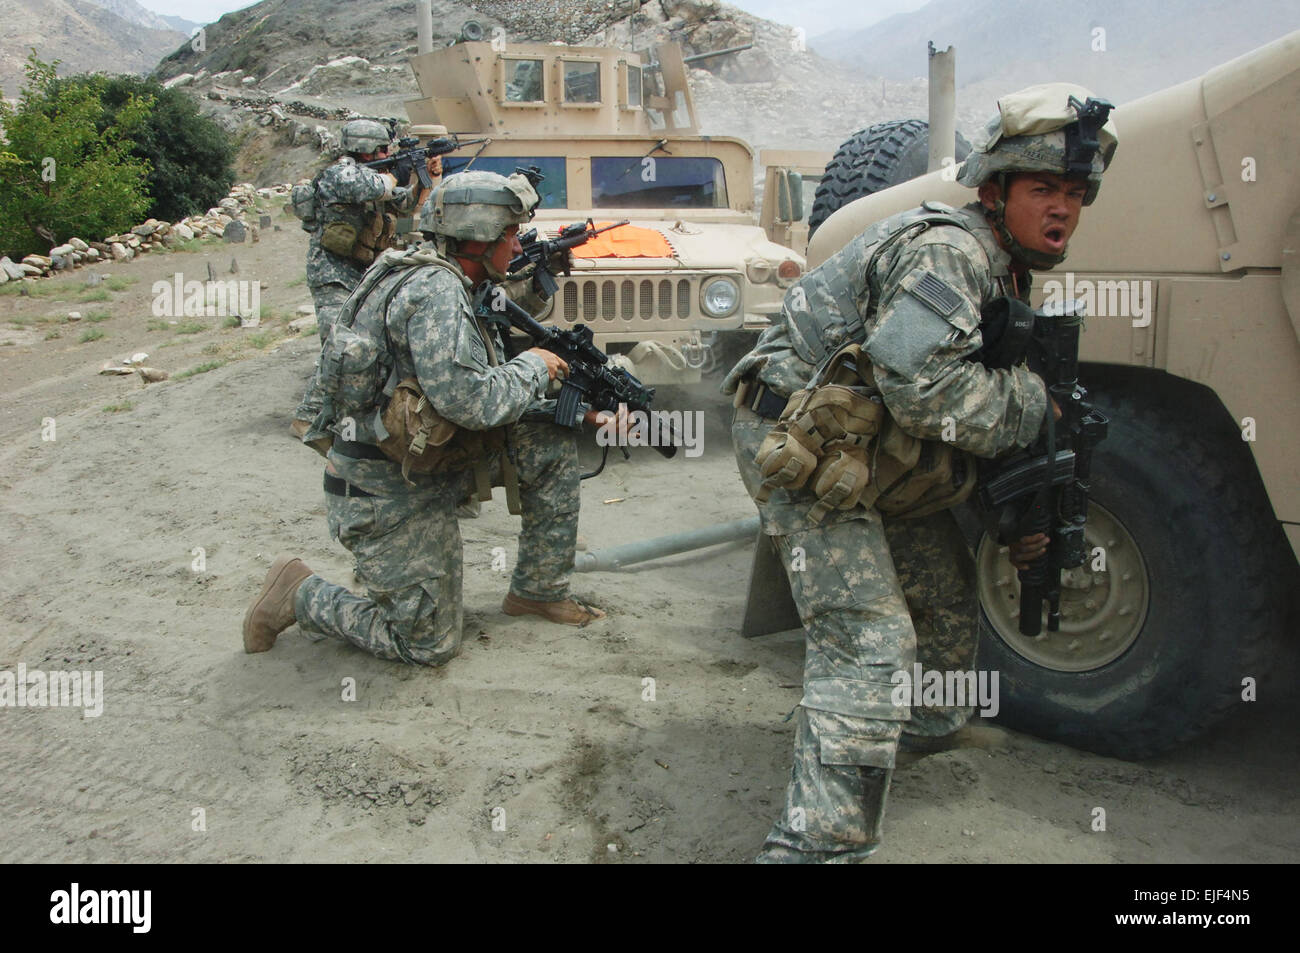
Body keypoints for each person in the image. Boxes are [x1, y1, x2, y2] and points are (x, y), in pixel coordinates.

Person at [722, 84, 1117, 862]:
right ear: (995, 191)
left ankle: (920, 726)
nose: (1063, 209)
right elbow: (925, 388)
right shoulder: (952, 251)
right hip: (796, 439)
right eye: (1044, 189)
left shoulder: (1003, 265)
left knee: (940, 588)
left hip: (868, 438)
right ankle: (816, 840)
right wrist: (1032, 404)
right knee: (868, 635)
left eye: (1073, 193)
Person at [245, 170, 609, 667]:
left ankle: (538, 590)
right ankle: (300, 592)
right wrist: (534, 365)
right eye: (509, 234)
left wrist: (579, 410)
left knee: (547, 439)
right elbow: (470, 402)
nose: (515, 244)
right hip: (385, 488)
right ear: (477, 239)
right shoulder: (436, 289)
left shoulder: (451, 278)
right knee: (427, 643)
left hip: (425, 460)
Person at [291, 119, 442, 451]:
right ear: (367, 149)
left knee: (358, 347)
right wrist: (397, 171)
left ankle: (336, 418)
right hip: (331, 272)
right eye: (383, 149)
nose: (387, 153)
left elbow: (405, 203)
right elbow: (370, 187)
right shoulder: (339, 174)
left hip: (362, 273)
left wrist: (424, 176)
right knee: (338, 347)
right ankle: (310, 418)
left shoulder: (375, 176)